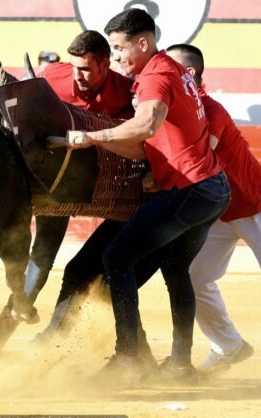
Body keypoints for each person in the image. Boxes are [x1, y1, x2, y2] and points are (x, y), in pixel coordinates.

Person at [0, 30, 136, 353]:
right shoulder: (53, 77)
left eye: (86, 69)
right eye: (74, 68)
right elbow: (13, 112)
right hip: (34, 175)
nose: (78, 76)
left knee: (42, 256)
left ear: (104, 64)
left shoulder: (126, 92)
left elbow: (138, 134)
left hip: (74, 185)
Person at [64, 8, 230, 384]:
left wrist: (91, 137)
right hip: (213, 188)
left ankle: (128, 358)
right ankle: (180, 364)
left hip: (190, 189)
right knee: (175, 268)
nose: (117, 56)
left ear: (143, 43)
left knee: (116, 256)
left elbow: (146, 125)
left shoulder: (155, 76)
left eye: (120, 48)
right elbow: (148, 140)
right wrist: (106, 145)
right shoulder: (173, 70)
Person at [165, 43, 261, 382]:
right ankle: (228, 345)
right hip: (219, 215)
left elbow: (198, 163)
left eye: (169, 68)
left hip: (254, 208)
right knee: (193, 277)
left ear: (188, 74)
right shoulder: (172, 109)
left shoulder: (210, 110)